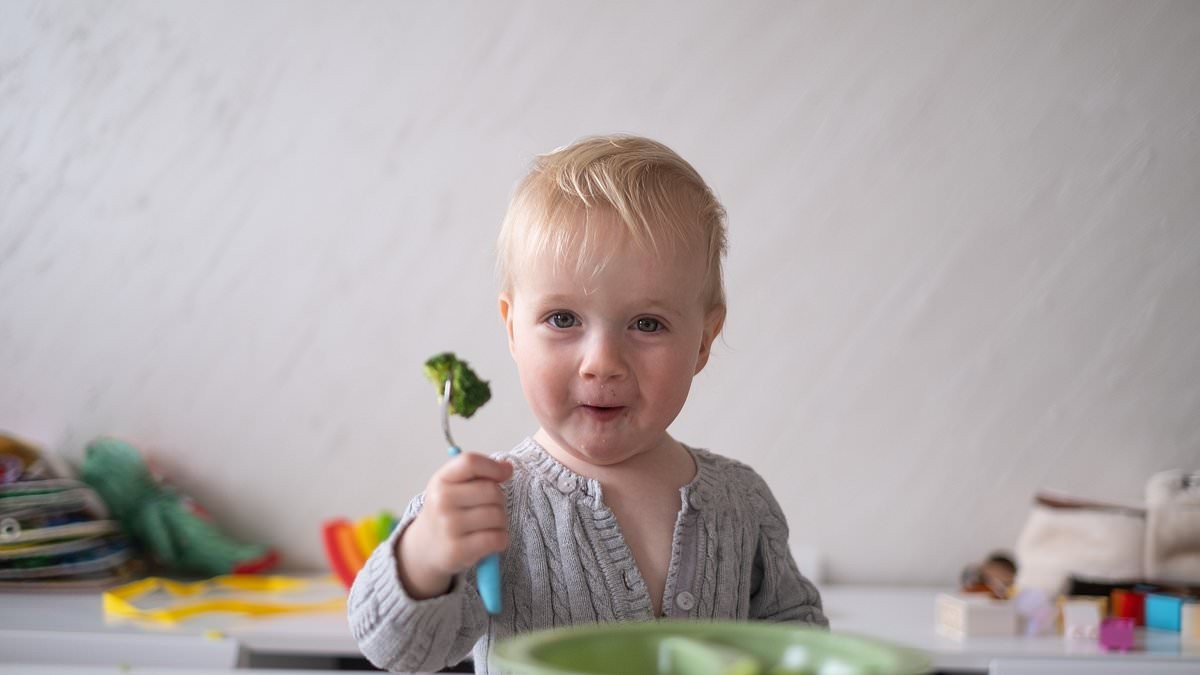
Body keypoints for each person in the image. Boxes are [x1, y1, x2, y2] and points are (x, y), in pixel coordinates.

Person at [348, 135, 827, 673]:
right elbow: (397, 652)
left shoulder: (743, 503)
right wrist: (424, 558)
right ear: (512, 328)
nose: (602, 362)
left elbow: (799, 639)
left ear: (702, 342)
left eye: (647, 324)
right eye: (562, 319)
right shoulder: (486, 505)